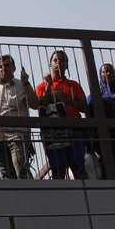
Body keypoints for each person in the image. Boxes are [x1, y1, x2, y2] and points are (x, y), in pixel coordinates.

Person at [31, 50, 88, 179]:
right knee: (57, 169)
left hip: (74, 128)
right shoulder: (42, 86)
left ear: (67, 65)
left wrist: (66, 100)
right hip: (53, 130)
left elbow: (85, 107)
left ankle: (85, 196)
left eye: (62, 60)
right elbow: (41, 104)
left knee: (78, 167)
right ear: (50, 65)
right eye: (55, 60)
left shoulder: (74, 85)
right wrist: (49, 84)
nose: (59, 62)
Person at [0, 54, 32, 179]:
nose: (4, 69)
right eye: (1, 66)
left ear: (14, 68)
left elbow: (34, 104)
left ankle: (31, 196)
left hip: (17, 134)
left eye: (7, 65)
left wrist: (26, 84)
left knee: (21, 170)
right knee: (6, 176)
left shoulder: (21, 85)